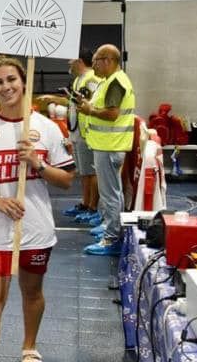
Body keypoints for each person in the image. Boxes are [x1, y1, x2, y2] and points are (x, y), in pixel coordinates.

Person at [0, 57, 74, 362]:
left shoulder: (46, 128)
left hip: (34, 229)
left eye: (11, 79)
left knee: (31, 292)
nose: (6, 86)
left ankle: (29, 347)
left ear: (24, 82)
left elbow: (66, 179)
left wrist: (38, 163)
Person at [77, 44, 135, 256]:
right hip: (108, 145)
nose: (93, 65)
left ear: (108, 60)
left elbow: (112, 114)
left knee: (110, 194)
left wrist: (89, 109)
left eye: (96, 61)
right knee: (112, 192)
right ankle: (110, 227)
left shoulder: (116, 82)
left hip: (110, 146)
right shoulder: (108, 81)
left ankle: (111, 238)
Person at [40, 51, 102, 222]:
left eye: (71, 59)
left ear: (80, 61)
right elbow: (73, 101)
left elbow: (84, 103)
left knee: (91, 172)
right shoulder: (78, 80)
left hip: (88, 132)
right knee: (84, 172)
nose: (68, 62)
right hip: (77, 131)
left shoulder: (92, 79)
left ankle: (93, 207)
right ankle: (85, 203)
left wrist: (56, 99)